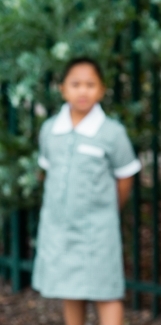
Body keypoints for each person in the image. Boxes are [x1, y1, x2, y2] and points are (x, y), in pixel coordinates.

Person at [32, 57, 141, 325]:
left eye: (90, 84)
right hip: (60, 228)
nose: (83, 91)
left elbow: (125, 178)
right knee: (71, 290)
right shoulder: (49, 130)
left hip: (98, 231)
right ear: (63, 89)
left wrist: (107, 211)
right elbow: (46, 171)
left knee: (107, 291)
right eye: (75, 84)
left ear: (102, 89)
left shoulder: (112, 133)